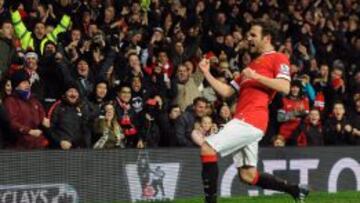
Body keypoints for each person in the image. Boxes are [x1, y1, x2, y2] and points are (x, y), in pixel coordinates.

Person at [197, 20, 309, 203]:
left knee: (207, 147)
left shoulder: (278, 58)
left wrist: (256, 76)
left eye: (253, 35)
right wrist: (207, 73)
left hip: (252, 119)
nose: (248, 38)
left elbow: (285, 87)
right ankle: (296, 190)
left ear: (266, 38)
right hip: (246, 119)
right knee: (248, 175)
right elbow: (226, 91)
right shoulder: (251, 67)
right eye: (248, 35)